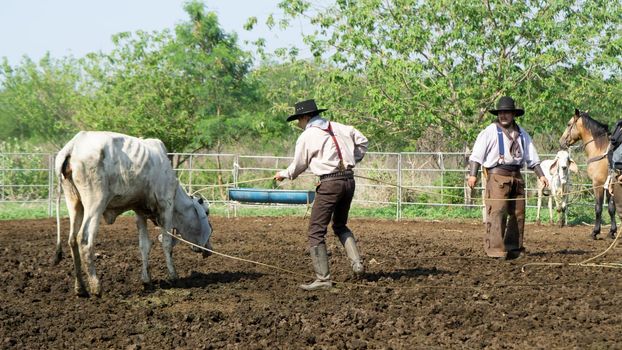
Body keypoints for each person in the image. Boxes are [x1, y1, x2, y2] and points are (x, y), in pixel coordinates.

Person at [274, 99, 368, 290]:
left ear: (305, 117)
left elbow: (299, 165)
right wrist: (351, 159)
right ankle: (357, 264)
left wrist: (284, 174)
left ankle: (323, 280)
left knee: (316, 231)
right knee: (340, 225)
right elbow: (363, 142)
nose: (299, 125)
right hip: (349, 180)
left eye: (298, 120)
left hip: (330, 183)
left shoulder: (308, 135)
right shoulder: (340, 127)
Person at [467, 96, 549, 259]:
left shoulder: (522, 134)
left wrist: (541, 176)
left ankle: (513, 248)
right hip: (497, 176)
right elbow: (476, 156)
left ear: (513, 114)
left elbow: (532, 159)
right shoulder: (489, 132)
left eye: (507, 112)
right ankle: (496, 249)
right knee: (497, 212)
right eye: (501, 113)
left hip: (516, 177)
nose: (503, 116)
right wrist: (472, 175)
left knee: (518, 213)